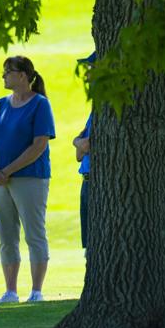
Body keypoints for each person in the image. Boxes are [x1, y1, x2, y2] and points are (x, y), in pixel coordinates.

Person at [0, 56, 55, 304]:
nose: (3, 76)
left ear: (23, 75)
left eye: (8, 71)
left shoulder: (39, 105)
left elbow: (38, 145)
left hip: (29, 178)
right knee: (6, 235)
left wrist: (8, 170)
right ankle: (10, 291)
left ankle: (36, 291)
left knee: (34, 233)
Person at [73, 52, 95, 252]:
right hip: (86, 181)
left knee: (95, 245)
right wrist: (78, 143)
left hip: (96, 184)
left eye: (91, 69)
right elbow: (79, 155)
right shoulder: (95, 108)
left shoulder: (104, 108)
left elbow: (84, 146)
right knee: (89, 243)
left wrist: (76, 141)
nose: (86, 76)